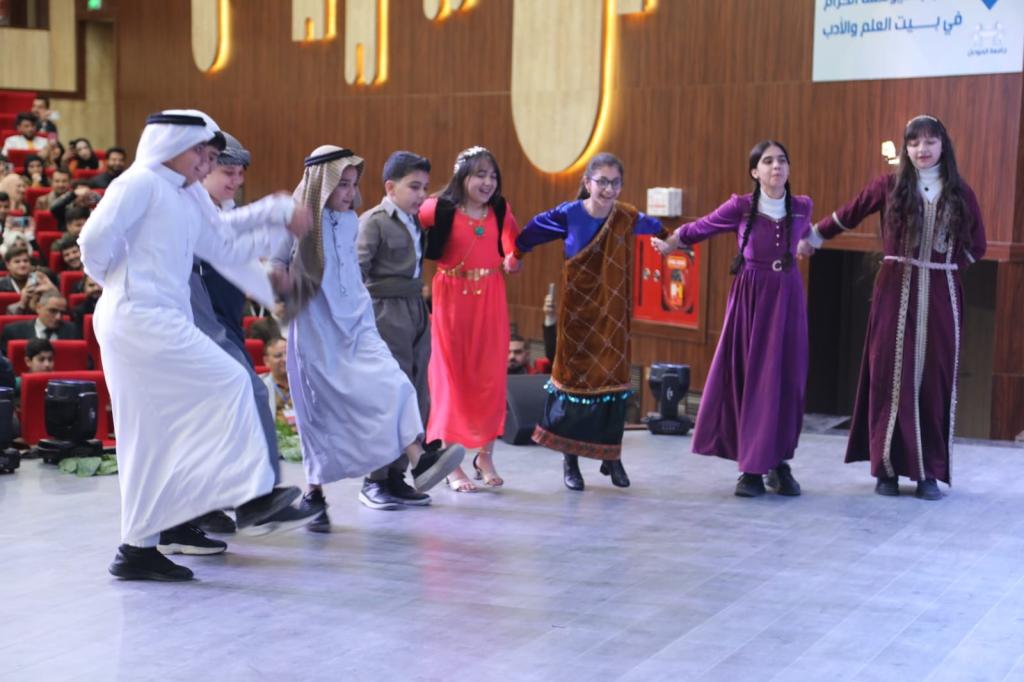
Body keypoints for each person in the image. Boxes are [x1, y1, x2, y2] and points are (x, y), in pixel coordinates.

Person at [80, 109, 317, 582]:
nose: (207, 166)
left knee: (152, 438)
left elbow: (224, 242)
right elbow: (92, 242)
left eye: (211, 158)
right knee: (233, 382)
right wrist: (120, 284)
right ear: (173, 145)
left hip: (160, 318)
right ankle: (251, 499)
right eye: (202, 155)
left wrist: (275, 212)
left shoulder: (186, 195)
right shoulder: (140, 183)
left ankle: (137, 548)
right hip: (139, 319)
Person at [272, 145, 465, 533]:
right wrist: (282, 282)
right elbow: (275, 271)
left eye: (352, 184)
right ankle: (314, 494)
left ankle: (419, 460)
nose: (349, 192)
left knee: (396, 386)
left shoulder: (349, 222)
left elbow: (352, 278)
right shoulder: (293, 219)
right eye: (341, 184)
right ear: (321, 183)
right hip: (316, 331)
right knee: (320, 415)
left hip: (359, 326)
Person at [799, 115, 987, 501]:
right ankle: (886, 469)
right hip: (894, 291)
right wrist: (814, 237)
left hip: (941, 296)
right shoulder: (889, 186)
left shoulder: (960, 193)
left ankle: (927, 473)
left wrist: (946, 267)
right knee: (889, 376)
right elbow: (849, 212)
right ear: (906, 148)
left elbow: (978, 244)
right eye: (914, 142)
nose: (922, 149)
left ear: (943, 145)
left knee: (933, 381)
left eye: (929, 141)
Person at [654, 140, 811, 497]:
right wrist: (672, 241)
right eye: (767, 161)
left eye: (782, 160)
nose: (776, 166)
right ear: (755, 171)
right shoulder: (740, 206)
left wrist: (806, 244)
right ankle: (750, 469)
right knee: (753, 379)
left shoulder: (803, 206)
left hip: (788, 299)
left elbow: (805, 236)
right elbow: (703, 226)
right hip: (751, 300)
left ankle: (778, 463)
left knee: (786, 380)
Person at [506, 152, 667, 491]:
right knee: (574, 389)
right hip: (578, 318)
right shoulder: (569, 214)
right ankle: (571, 461)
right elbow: (532, 231)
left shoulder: (626, 216)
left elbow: (659, 229)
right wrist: (516, 254)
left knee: (614, 387)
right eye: (602, 181)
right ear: (587, 183)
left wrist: (672, 240)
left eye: (615, 183)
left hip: (614, 318)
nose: (609, 189)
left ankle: (612, 458)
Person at [418, 146, 520, 492]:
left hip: (490, 297)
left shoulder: (500, 209)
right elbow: (408, 225)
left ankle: (485, 456)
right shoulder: (438, 208)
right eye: (480, 175)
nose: (488, 182)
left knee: (489, 378)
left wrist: (513, 259)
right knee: (450, 380)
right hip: (451, 298)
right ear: (462, 177)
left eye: (492, 176)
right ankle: (451, 464)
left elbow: (513, 244)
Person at [356, 151, 434, 509]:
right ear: (391, 187)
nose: (422, 195)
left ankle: (396, 475)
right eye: (414, 187)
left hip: (415, 308)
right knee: (388, 395)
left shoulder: (415, 221)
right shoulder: (373, 222)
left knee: (416, 392)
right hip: (384, 310)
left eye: (425, 188)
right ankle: (373, 479)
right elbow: (357, 271)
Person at [1, 290, 78, 354]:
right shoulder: (14, 332)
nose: (58, 317)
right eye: (53, 311)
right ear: (38, 308)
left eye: (62, 313)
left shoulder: (73, 331)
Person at [260, 336, 293, 429]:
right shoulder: (259, 385)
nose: (285, 359)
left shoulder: (307, 384)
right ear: (266, 361)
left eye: (288, 353)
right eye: (278, 356)